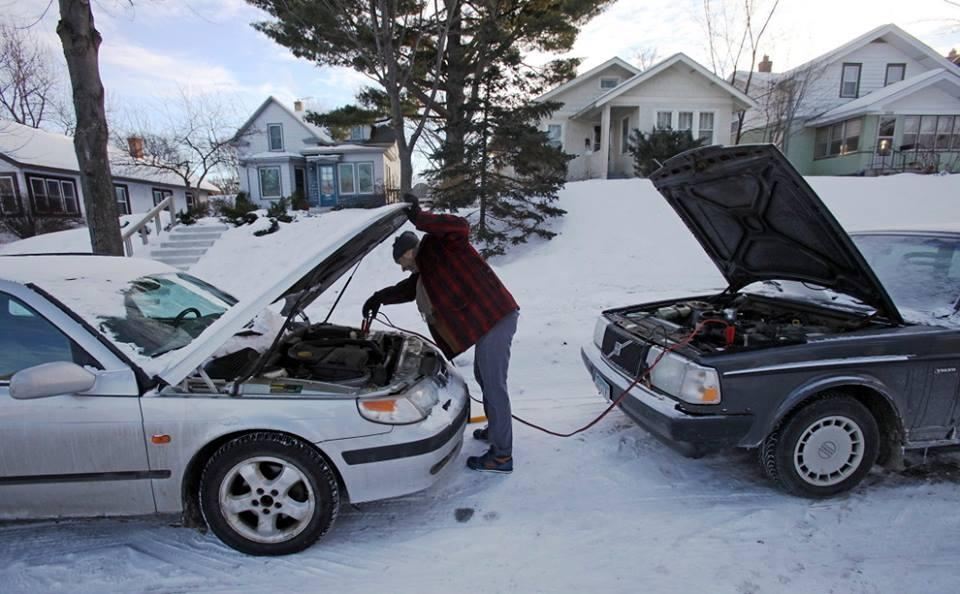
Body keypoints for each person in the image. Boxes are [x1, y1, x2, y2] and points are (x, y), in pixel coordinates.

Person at [363, 195, 520, 473]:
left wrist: (420, 218)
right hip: (488, 321)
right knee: (485, 377)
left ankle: (502, 455)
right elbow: (408, 289)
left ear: (410, 251)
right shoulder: (427, 270)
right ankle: (496, 432)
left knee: (494, 384)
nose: (403, 266)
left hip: (496, 316)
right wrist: (378, 298)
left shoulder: (440, 245)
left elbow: (459, 226)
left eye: (401, 260)